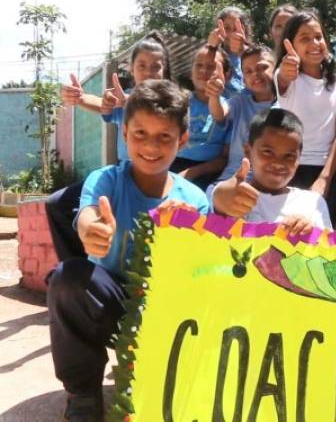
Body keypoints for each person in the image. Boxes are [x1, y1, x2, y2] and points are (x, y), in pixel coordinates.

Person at [47, 79, 210, 422]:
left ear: (182, 140)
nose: (150, 145)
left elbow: (200, 272)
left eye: (164, 136)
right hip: (112, 304)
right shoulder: (105, 179)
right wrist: (91, 230)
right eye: (140, 133)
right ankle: (83, 393)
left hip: (166, 308)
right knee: (69, 279)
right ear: (124, 135)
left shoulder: (195, 200)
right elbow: (88, 215)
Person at [48, 31, 172, 261]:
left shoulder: (173, 102)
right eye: (142, 65)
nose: (148, 72)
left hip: (156, 177)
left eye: (156, 66)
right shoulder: (125, 98)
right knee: (56, 204)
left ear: (164, 70)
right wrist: (81, 98)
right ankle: (78, 269)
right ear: (132, 69)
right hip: (123, 175)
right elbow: (106, 104)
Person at [274, 9, 336, 227]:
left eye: (318, 37)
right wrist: (285, 71)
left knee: (322, 231)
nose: (314, 43)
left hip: (333, 168)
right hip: (293, 166)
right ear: (290, 45)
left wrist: (325, 179)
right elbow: (283, 79)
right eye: (305, 39)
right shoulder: (287, 79)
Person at [213, 108, 332, 232]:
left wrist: (311, 233)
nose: (278, 163)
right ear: (248, 151)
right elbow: (221, 199)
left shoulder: (312, 203)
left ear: (299, 158)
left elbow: (330, 246)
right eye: (268, 152)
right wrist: (221, 199)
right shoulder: (235, 195)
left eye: (289, 156)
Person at [208, 45, 276, 188]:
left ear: (276, 69)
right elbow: (219, 114)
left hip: (266, 183)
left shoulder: (288, 103)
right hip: (231, 178)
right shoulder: (240, 101)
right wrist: (214, 96)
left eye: (262, 67)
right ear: (244, 80)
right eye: (248, 71)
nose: (255, 74)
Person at [169, 42, 231, 190]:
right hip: (172, 166)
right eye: (198, 65)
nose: (204, 70)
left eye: (211, 67)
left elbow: (224, 158)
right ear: (191, 73)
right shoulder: (179, 101)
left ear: (226, 75)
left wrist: (192, 173)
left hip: (208, 173)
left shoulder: (228, 107)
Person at [208, 6, 253, 96]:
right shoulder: (215, 55)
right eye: (227, 28)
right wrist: (211, 48)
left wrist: (242, 51)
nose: (232, 33)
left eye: (236, 28)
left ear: (245, 31)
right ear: (219, 30)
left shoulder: (255, 55)